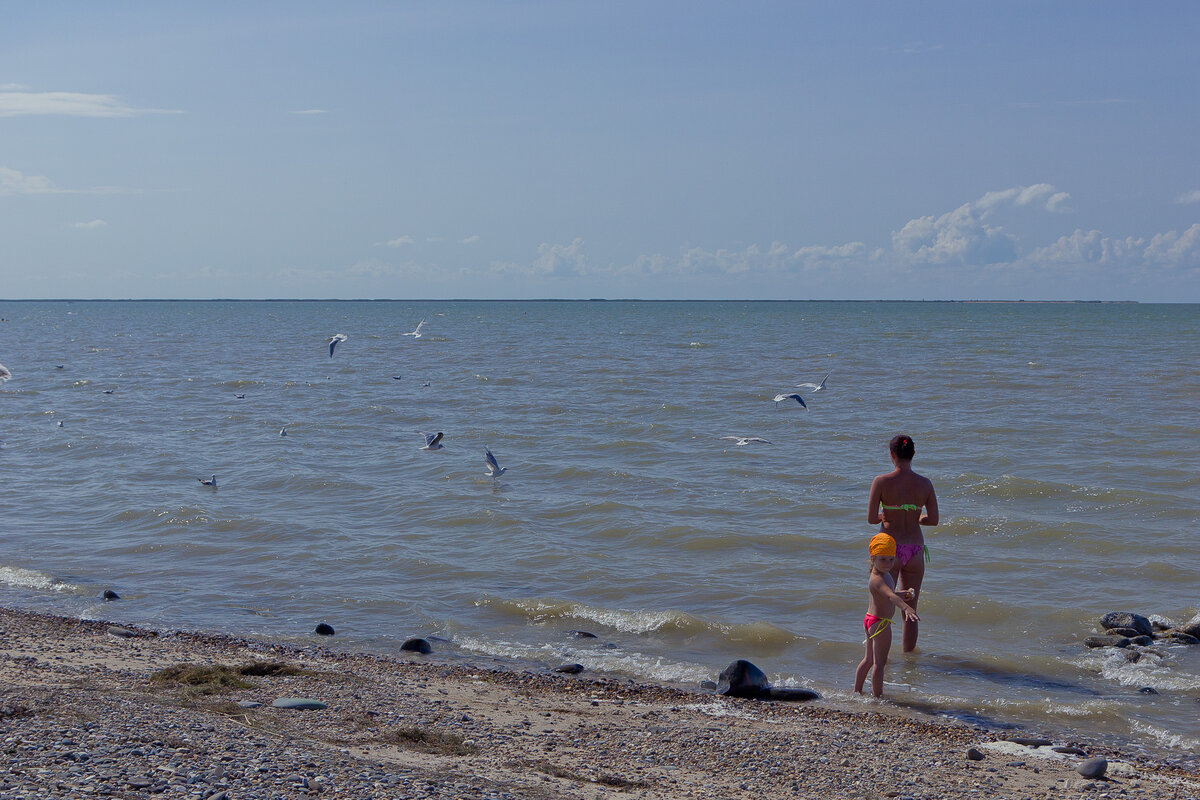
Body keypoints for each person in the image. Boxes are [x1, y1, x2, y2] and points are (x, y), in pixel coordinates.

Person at [867, 434, 938, 652]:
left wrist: (887, 516)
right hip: (915, 549)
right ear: (913, 454)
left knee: (884, 609)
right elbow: (933, 520)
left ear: (891, 455)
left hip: (890, 549)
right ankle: (909, 666)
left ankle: (881, 662)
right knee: (910, 609)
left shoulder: (881, 481)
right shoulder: (925, 484)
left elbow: (871, 518)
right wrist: (916, 516)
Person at [854, 532, 919, 698]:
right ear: (872, 558)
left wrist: (902, 594)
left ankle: (857, 692)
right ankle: (877, 697)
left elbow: (889, 594)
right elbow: (890, 596)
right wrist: (906, 608)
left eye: (891, 559)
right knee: (879, 663)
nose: (888, 563)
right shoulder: (879, 579)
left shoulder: (880, 575)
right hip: (880, 623)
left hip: (870, 620)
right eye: (883, 559)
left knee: (868, 659)